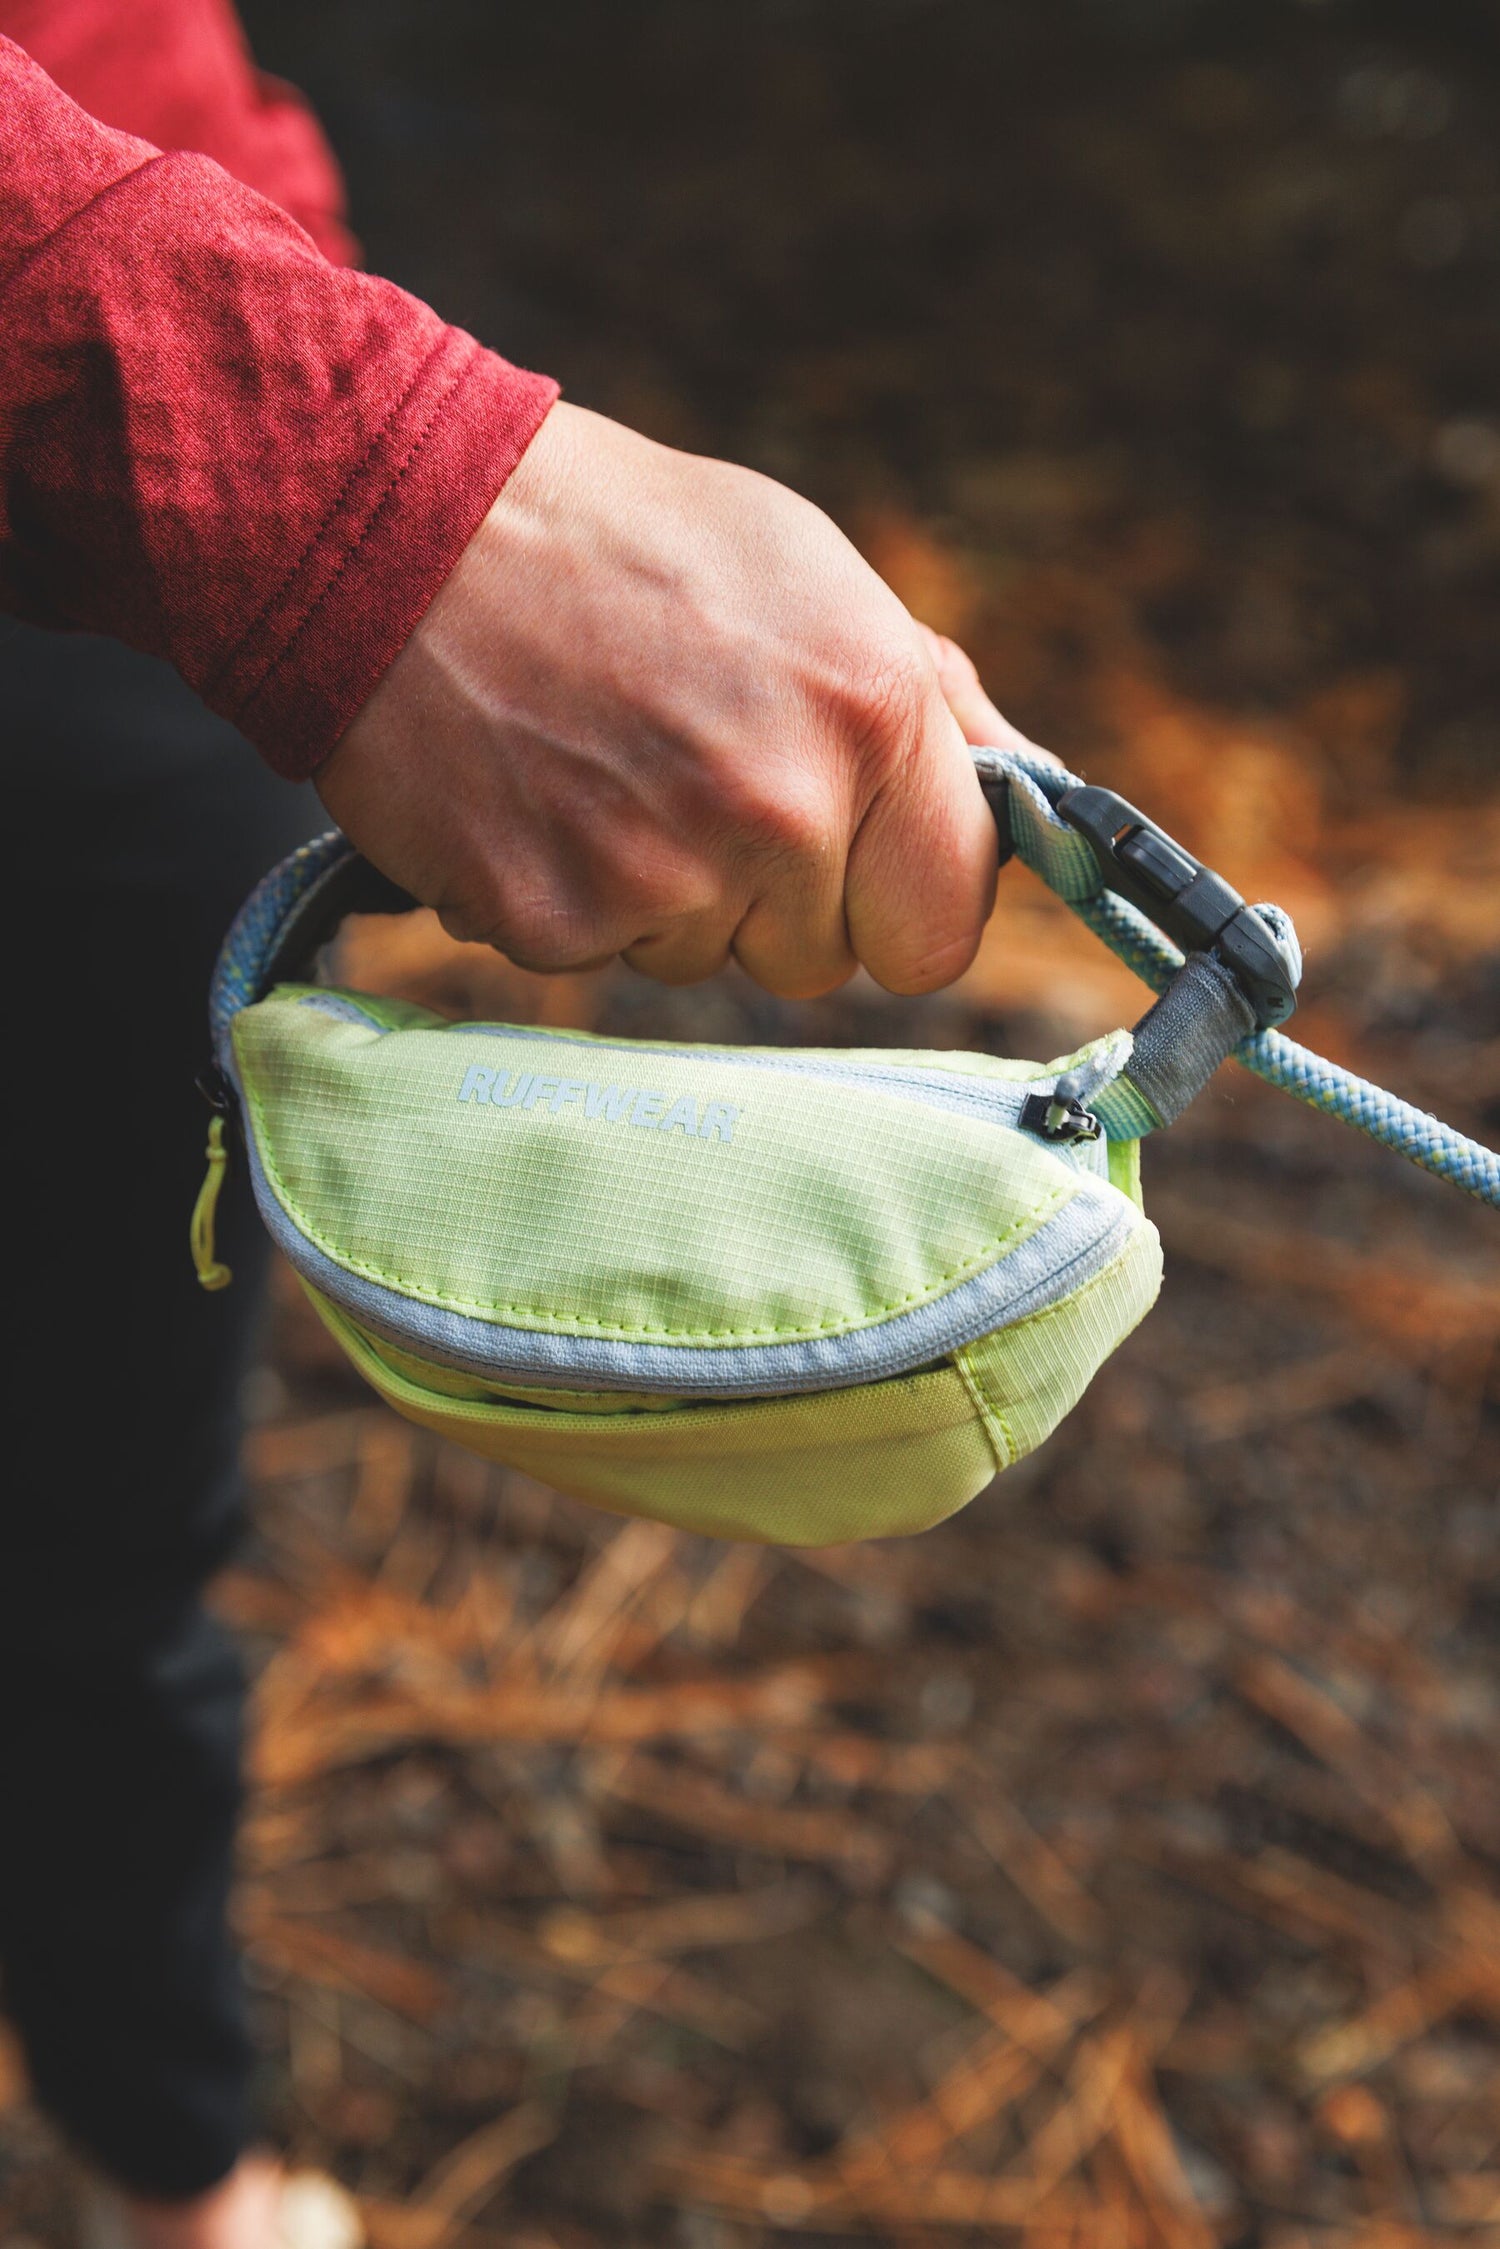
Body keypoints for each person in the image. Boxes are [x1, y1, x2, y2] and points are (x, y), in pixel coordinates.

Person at [0, 6, 1028, 2243]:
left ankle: (171, 2154)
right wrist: (371, 499)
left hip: (113, 530)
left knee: (110, 1532)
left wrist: (276, 323)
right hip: (171, 423)